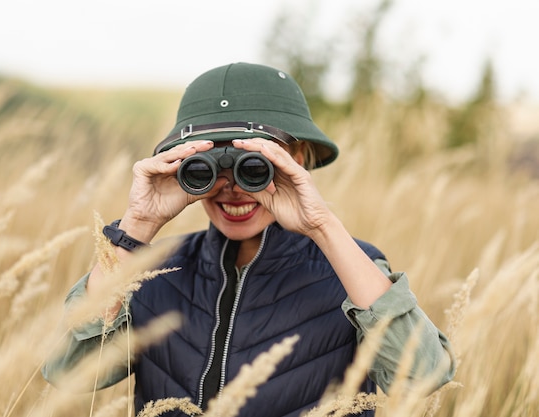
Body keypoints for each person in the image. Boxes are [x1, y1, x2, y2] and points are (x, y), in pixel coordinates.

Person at [42, 62, 456, 416]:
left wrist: (323, 227)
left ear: (295, 159)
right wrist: (137, 226)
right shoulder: (156, 271)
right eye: (204, 168)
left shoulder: (350, 266)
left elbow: (422, 376)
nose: (232, 188)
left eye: (253, 166)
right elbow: (69, 370)